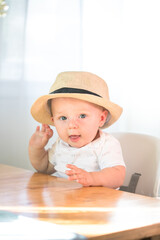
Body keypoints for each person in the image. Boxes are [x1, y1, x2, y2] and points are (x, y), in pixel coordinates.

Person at [29, 71, 125, 188]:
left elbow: (118, 176)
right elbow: (44, 168)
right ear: (53, 120)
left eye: (82, 116)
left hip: (96, 202)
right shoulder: (61, 144)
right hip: (64, 202)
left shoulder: (106, 145)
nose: (72, 125)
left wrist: (92, 178)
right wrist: (36, 148)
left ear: (101, 118)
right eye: (63, 118)